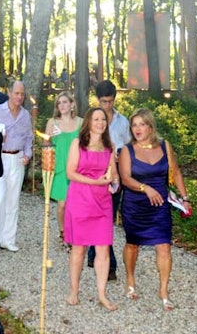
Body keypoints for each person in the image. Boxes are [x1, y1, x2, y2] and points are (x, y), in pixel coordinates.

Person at [118, 108, 192, 311]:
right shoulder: (127, 150)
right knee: (133, 244)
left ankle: (164, 291)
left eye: (142, 124)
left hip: (159, 205)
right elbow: (125, 178)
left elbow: (175, 172)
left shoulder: (164, 146)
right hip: (135, 205)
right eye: (134, 125)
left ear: (150, 126)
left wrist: (185, 198)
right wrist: (145, 188)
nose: (137, 129)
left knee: (164, 246)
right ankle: (130, 280)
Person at [64, 107, 119, 311]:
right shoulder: (77, 144)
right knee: (79, 248)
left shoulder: (109, 147)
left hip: (102, 202)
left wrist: (114, 183)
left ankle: (102, 294)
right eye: (96, 119)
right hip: (80, 199)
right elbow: (70, 173)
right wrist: (95, 182)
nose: (100, 123)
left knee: (103, 248)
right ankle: (74, 290)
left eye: (103, 119)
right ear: (88, 121)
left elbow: (113, 174)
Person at [0, 80, 33, 253]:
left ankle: (8, 239)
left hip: (17, 160)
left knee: (13, 201)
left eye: (22, 94)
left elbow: (29, 138)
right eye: (16, 93)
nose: (19, 97)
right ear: (9, 92)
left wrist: (27, 154)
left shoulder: (25, 115)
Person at [88, 79, 131, 280]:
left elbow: (130, 148)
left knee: (108, 217)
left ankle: (95, 252)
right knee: (99, 216)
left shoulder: (123, 122)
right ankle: (108, 263)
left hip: (116, 175)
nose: (107, 105)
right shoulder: (91, 121)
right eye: (104, 101)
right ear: (98, 100)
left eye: (110, 101)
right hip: (95, 175)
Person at [44, 91, 82, 249]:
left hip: (77, 167)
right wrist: (49, 137)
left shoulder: (81, 122)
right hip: (59, 167)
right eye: (59, 103)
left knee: (77, 204)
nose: (62, 106)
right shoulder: (52, 122)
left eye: (65, 102)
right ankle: (62, 231)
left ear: (72, 104)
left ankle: (75, 233)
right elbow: (46, 147)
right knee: (62, 205)